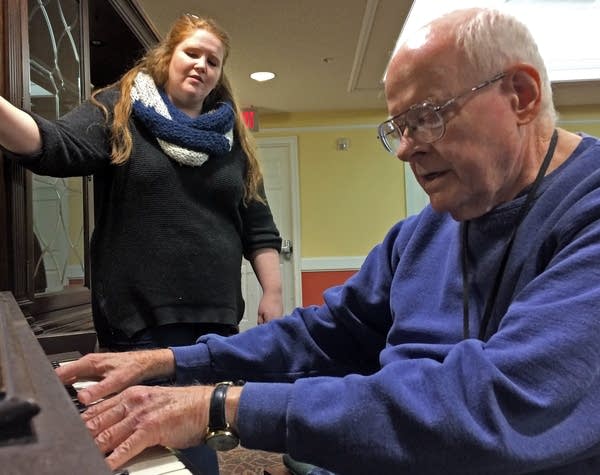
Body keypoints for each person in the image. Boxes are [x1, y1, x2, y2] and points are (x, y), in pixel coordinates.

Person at [56, 7, 600, 474]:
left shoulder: (587, 211)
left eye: (426, 117)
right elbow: (325, 335)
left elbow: (495, 404)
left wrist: (220, 406)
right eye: (398, 129)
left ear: (521, 95)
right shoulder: (421, 232)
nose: (407, 149)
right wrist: (170, 362)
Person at [1, 13, 283, 474]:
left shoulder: (232, 140)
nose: (201, 65)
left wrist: (272, 293)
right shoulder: (120, 111)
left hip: (214, 322)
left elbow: (258, 223)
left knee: (195, 434)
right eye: (193, 53)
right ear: (167, 56)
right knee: (145, 443)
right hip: (139, 320)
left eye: (213, 60)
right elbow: (54, 145)